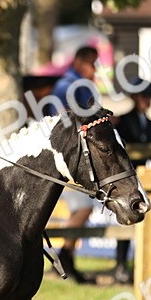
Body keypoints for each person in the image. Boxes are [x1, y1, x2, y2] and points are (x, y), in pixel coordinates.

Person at [50, 46, 102, 282]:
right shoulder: (71, 87)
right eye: (94, 64)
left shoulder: (73, 85)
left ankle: (66, 257)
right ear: (82, 63)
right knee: (83, 208)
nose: (96, 69)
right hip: (69, 158)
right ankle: (64, 256)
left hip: (70, 156)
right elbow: (64, 121)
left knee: (80, 208)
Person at [111, 84, 151, 283]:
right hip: (127, 180)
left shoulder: (150, 124)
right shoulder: (122, 121)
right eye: (143, 97)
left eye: (149, 97)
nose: (147, 101)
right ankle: (121, 264)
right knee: (125, 220)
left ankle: (144, 265)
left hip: (142, 178)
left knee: (146, 222)